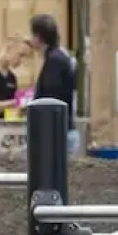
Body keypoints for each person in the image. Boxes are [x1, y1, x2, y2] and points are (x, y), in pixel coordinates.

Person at [28, 13, 78, 149]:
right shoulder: (58, 57)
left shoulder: (54, 60)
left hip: (58, 133)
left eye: (32, 35)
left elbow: (51, 98)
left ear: (39, 37)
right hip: (61, 130)